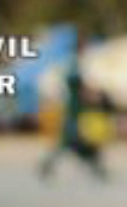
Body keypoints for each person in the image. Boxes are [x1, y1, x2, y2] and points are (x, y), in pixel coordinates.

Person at [39, 38, 108, 180]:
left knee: (74, 141)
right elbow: (76, 86)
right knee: (74, 141)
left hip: (78, 109)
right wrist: (93, 95)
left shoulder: (73, 63)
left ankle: (48, 165)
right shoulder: (74, 64)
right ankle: (96, 168)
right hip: (75, 110)